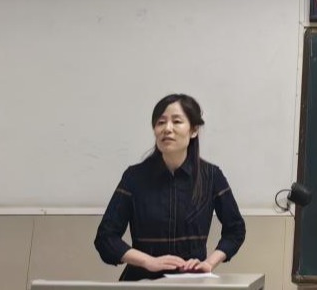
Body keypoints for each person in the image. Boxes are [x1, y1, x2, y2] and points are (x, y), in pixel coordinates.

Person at [94, 94, 247, 281]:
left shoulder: (212, 176)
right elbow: (106, 237)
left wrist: (209, 263)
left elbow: (235, 229)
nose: (167, 129)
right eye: (160, 122)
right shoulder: (134, 177)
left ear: (194, 130)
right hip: (141, 281)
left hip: (191, 281)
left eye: (176, 121)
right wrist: (148, 261)